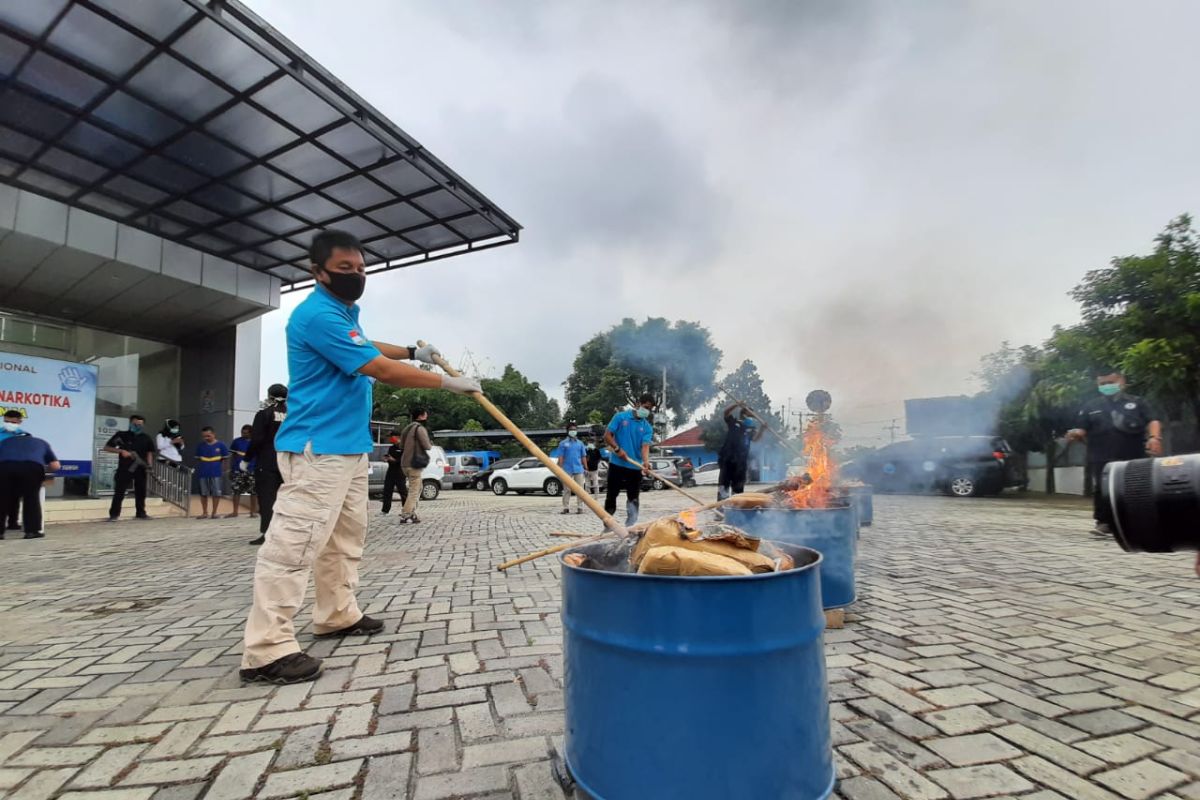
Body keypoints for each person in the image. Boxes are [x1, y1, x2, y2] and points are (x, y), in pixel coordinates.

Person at [240, 229, 479, 685]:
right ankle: (266, 649)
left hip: (348, 448)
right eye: (344, 269)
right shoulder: (316, 315)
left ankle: (336, 614)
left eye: (361, 268)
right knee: (294, 544)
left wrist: (416, 352)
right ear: (317, 272)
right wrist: (447, 382)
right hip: (317, 448)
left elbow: (373, 346)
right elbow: (379, 368)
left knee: (344, 540)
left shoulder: (342, 313)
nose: (355, 276)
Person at [1066, 368, 1162, 537]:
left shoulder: (1138, 402)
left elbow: (1152, 420)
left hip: (1133, 455)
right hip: (1100, 456)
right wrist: (1075, 434)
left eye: (1110, 382)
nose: (1106, 386)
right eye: (1102, 384)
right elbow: (1082, 429)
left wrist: (1154, 438)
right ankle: (1104, 524)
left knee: (1134, 488)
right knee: (1103, 490)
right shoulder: (1091, 406)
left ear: (1121, 382)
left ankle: (1136, 524)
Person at [0, 410, 60, 539]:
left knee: (2, 498)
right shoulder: (41, 442)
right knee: (31, 499)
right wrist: (46, 472)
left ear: (19, 421)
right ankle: (32, 531)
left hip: (5, 467)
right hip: (32, 468)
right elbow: (55, 466)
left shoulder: (5, 442)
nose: (9, 423)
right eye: (7, 420)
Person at [603, 395, 656, 528]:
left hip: (634, 468)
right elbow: (607, 435)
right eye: (646, 407)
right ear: (638, 404)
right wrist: (617, 449)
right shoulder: (621, 417)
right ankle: (608, 527)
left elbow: (645, 447)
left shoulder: (647, 427)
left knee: (633, 499)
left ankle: (630, 528)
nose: (647, 411)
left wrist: (645, 463)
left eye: (650, 409)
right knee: (611, 496)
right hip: (617, 464)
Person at [245, 384, 287, 545]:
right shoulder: (292, 413)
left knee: (268, 499)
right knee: (286, 499)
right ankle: (286, 532)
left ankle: (268, 533)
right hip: (288, 462)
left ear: (269, 395)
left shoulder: (264, 414)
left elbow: (257, 439)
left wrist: (246, 459)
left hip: (267, 462)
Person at [103, 414, 155, 521]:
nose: (137, 426)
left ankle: (141, 513)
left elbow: (149, 453)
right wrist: (121, 451)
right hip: (125, 468)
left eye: (140, 424)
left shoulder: (146, 438)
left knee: (141, 491)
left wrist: (149, 466)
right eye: (135, 424)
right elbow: (107, 447)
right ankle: (114, 514)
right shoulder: (121, 435)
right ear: (130, 423)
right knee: (120, 491)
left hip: (140, 468)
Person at [717, 403, 765, 500]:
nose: (752, 418)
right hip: (728, 460)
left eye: (753, 416)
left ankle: (735, 510)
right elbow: (726, 412)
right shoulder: (734, 423)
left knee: (738, 489)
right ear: (743, 414)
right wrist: (737, 404)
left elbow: (755, 439)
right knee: (724, 487)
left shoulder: (751, 429)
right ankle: (721, 509)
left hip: (741, 463)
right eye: (750, 415)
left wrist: (762, 429)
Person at [398, 408, 432, 524]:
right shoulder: (419, 428)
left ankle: (411, 512)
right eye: (425, 414)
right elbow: (427, 446)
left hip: (404, 463)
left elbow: (401, 446)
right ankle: (406, 514)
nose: (427, 416)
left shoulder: (406, 429)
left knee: (418, 487)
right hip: (414, 464)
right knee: (414, 490)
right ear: (421, 416)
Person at [194, 426, 230, 519]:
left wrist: (224, 470)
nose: (206, 438)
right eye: (204, 436)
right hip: (203, 473)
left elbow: (226, 459)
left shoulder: (221, 445)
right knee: (203, 493)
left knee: (216, 493)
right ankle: (204, 512)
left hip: (216, 473)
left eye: (208, 436)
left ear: (213, 434)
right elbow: (197, 459)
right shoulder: (200, 446)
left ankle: (214, 513)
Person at [557, 422, 588, 514]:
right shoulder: (563, 443)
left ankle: (580, 507)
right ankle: (565, 507)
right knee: (567, 489)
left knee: (580, 489)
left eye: (574, 430)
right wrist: (560, 468)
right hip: (567, 469)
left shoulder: (580, 443)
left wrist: (586, 467)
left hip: (579, 468)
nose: (573, 431)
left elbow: (583, 456)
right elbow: (561, 457)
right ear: (567, 431)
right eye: (571, 430)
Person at [229, 424, 258, 519]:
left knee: (253, 492)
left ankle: (252, 512)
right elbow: (232, 456)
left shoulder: (256, 442)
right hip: (238, 470)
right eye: (242, 433)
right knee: (236, 491)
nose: (243, 434)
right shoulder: (236, 442)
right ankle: (235, 511)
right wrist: (231, 469)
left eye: (246, 433)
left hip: (252, 469)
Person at [379, 428, 408, 515]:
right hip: (391, 472)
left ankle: (406, 510)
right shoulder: (391, 447)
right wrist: (386, 459)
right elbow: (389, 458)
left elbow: (404, 460)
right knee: (387, 491)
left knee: (403, 491)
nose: (390, 439)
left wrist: (394, 460)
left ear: (397, 437)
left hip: (400, 472)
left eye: (391, 437)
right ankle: (385, 510)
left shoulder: (403, 447)